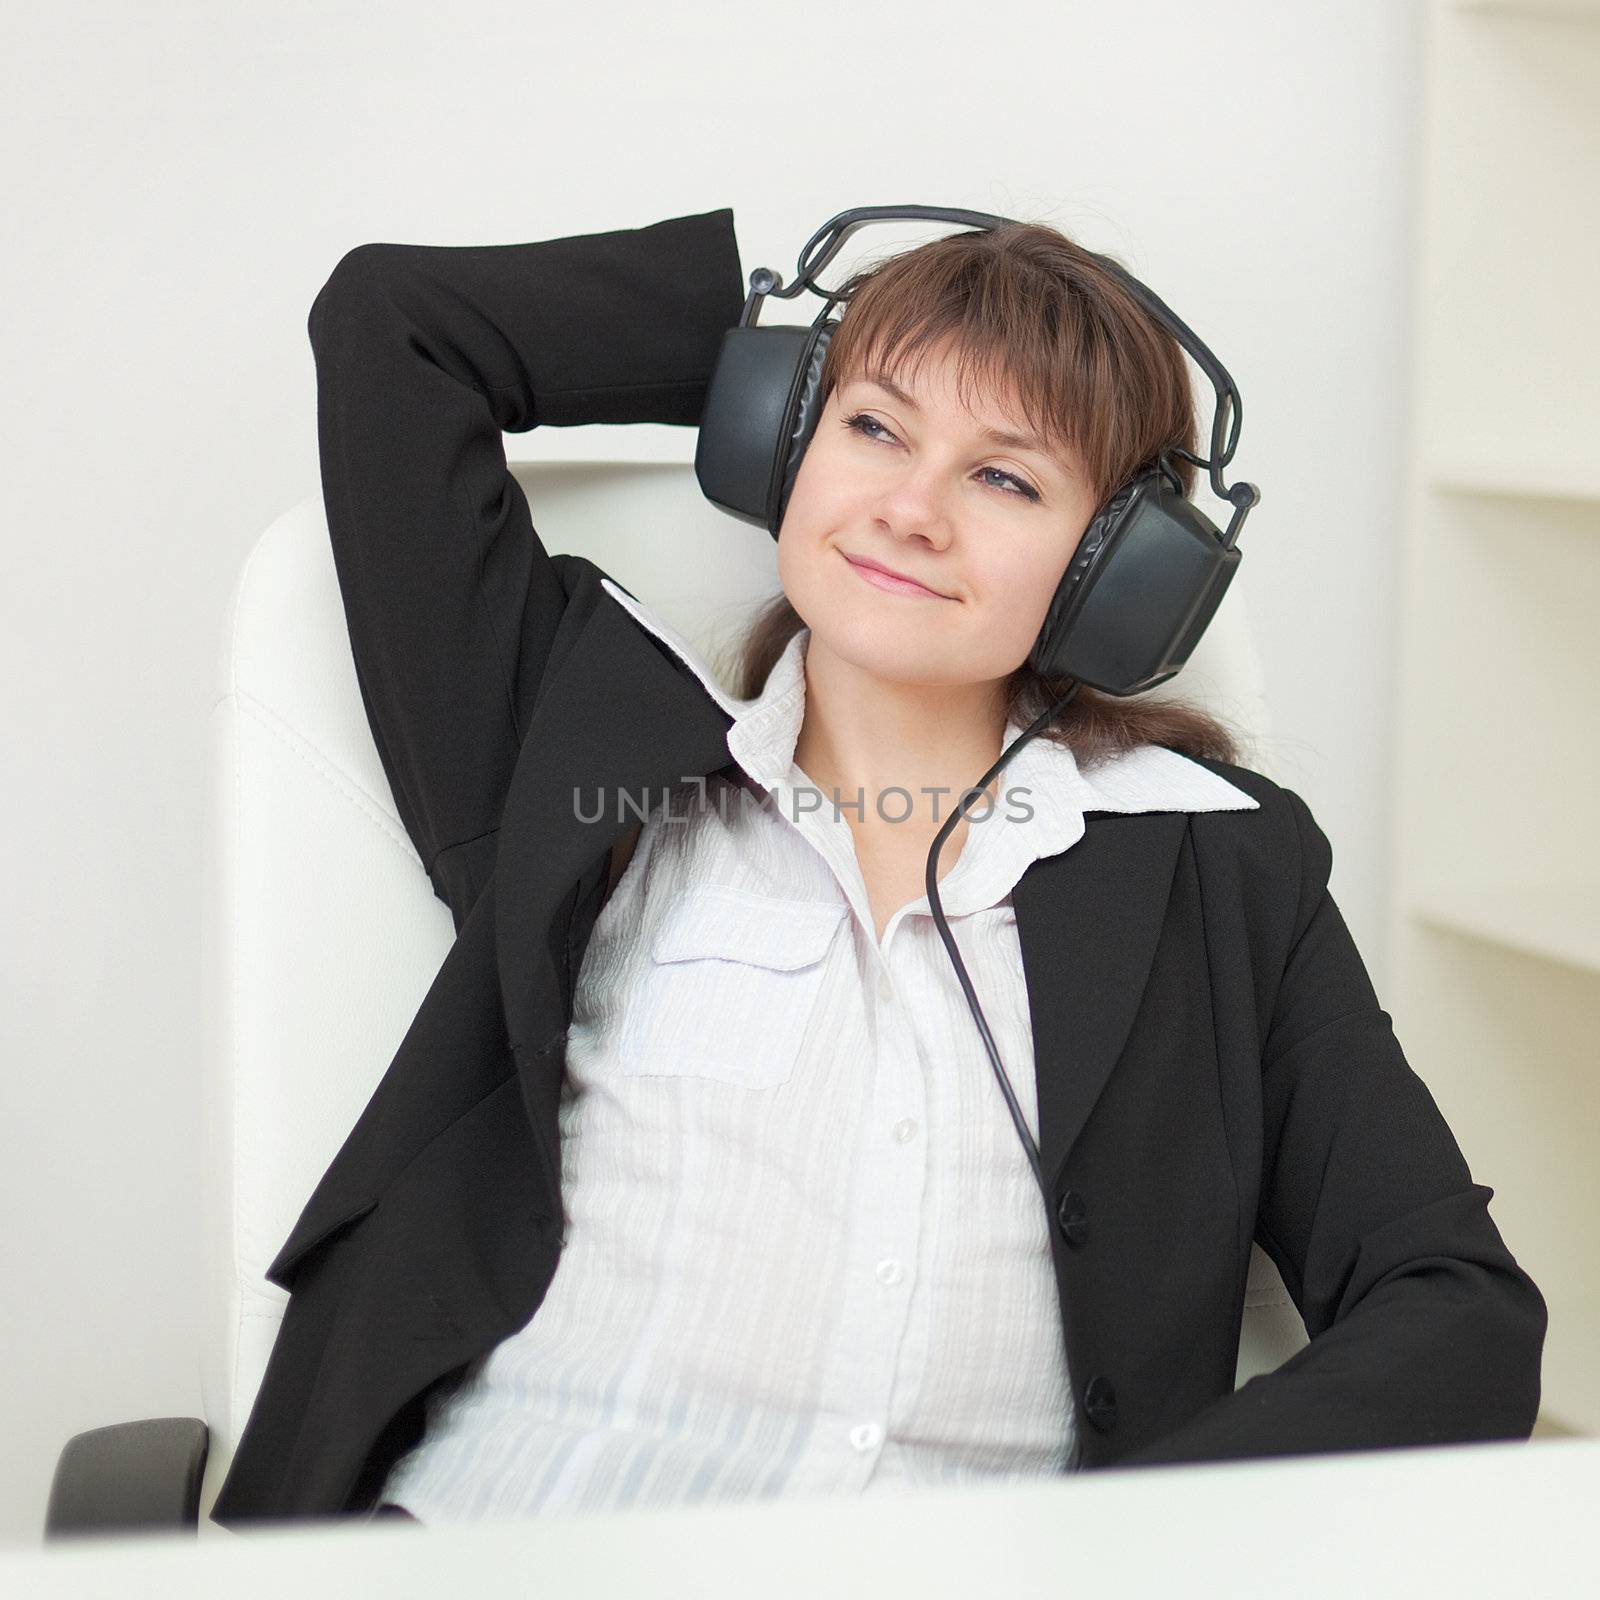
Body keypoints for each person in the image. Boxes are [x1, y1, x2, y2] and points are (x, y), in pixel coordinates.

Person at [209, 207, 1547, 1531]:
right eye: (872, 428)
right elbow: (398, 328)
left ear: (1113, 574)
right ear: (784, 438)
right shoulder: (565, 743)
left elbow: (1459, 1312)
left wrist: (1128, 1550)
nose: (910, 510)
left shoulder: (1221, 873)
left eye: (1006, 478)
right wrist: (768, 359)